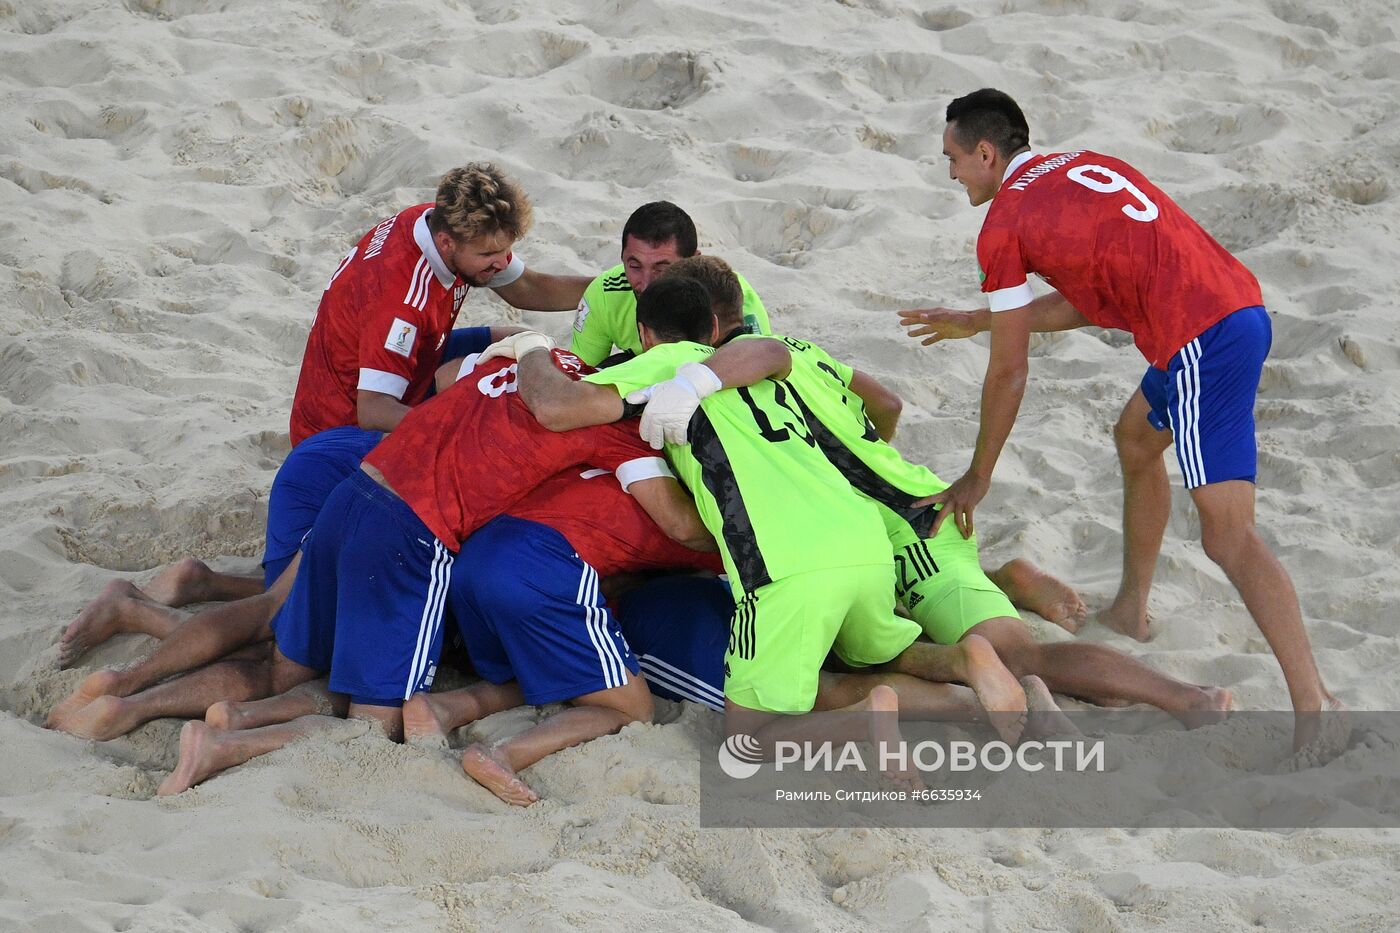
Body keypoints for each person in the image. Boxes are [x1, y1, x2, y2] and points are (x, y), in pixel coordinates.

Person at [897, 88, 1337, 752]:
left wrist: (977, 474)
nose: (951, 172)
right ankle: (1131, 610)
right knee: (1136, 437)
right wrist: (983, 318)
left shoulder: (1003, 224)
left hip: (1198, 339)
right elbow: (1091, 296)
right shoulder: (1080, 164)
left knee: (1228, 537)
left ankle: (1316, 706)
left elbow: (1010, 370)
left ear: (986, 153)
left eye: (953, 159)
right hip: (1232, 305)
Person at [508, 277, 1030, 766]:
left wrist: (529, 347)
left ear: (644, 335)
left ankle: (865, 720)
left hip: (784, 565)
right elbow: (776, 349)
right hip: (865, 541)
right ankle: (963, 661)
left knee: (745, 741)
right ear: (715, 330)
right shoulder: (749, 364)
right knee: (871, 657)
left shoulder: (658, 364)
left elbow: (553, 406)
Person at [290, 162, 591, 445]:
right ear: (447, 243)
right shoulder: (400, 302)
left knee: (522, 344)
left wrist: (616, 287)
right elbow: (374, 411)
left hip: (411, 357)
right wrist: (458, 430)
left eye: (506, 249)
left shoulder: (437, 222)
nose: (502, 262)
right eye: (489, 255)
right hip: (342, 433)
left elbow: (527, 288)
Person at [567, 201, 770, 365]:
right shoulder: (604, 293)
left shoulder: (729, 295)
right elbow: (578, 377)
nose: (646, 285)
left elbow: (754, 368)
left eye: (661, 269)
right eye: (635, 266)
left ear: (693, 261)